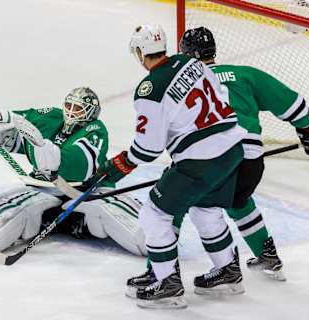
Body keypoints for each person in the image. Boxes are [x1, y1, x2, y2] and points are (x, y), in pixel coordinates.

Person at [91, 24, 248, 309]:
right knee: (205, 210)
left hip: (201, 158)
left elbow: (148, 149)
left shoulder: (149, 89)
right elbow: (219, 95)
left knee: (154, 213)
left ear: (140, 53)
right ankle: (228, 271)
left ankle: (167, 283)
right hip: (233, 148)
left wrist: (119, 166)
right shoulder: (192, 62)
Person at [178, 26, 309, 281]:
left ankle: (221, 271)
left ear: (189, 55)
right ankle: (266, 255)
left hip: (219, 155)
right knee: (238, 200)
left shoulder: (186, 85)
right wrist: (308, 127)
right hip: (251, 160)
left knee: (194, 205)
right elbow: (290, 103)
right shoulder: (243, 74)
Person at [0, 87, 147, 261]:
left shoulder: (95, 129)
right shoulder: (53, 116)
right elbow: (24, 123)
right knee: (18, 201)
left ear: (91, 113)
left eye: (77, 109)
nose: (71, 112)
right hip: (47, 187)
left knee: (112, 206)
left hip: (85, 190)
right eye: (69, 106)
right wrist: (2, 134)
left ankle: (155, 239)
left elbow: (80, 166)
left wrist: (53, 157)